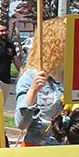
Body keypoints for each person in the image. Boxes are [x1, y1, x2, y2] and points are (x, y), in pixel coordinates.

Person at [14, 17, 67, 146]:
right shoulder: (33, 76)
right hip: (39, 147)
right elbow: (21, 123)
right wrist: (33, 91)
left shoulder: (73, 75)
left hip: (68, 148)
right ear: (56, 45)